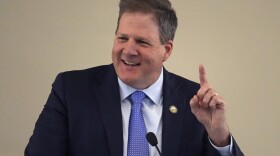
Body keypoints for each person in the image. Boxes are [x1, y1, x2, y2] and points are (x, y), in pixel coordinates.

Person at [25, 0, 244, 155]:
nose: (128, 50)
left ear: (166, 50)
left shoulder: (195, 101)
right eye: (122, 38)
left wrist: (219, 137)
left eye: (142, 42)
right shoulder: (71, 90)